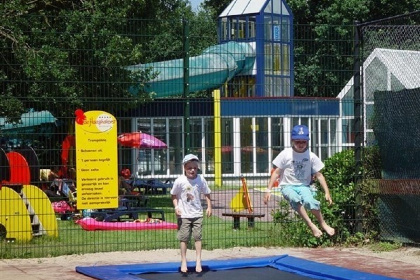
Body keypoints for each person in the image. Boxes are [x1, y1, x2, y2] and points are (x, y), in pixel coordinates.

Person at [264, 124, 335, 238]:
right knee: (295, 199)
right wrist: (268, 190)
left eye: (303, 142)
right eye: (298, 142)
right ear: (292, 141)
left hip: (303, 186)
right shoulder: (286, 154)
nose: (301, 144)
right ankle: (311, 225)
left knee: (310, 202)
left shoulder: (311, 156)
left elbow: (319, 175)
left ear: (307, 142)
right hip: (287, 186)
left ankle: (323, 223)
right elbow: (276, 173)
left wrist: (327, 192)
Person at [171, 154, 212, 273]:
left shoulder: (201, 179)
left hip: (197, 214)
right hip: (183, 215)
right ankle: (184, 261)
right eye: (189, 168)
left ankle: (198, 261)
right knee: (184, 238)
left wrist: (209, 206)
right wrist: (176, 207)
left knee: (198, 238)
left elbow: (207, 193)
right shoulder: (180, 181)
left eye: (194, 168)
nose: (192, 170)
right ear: (184, 168)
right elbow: (173, 195)